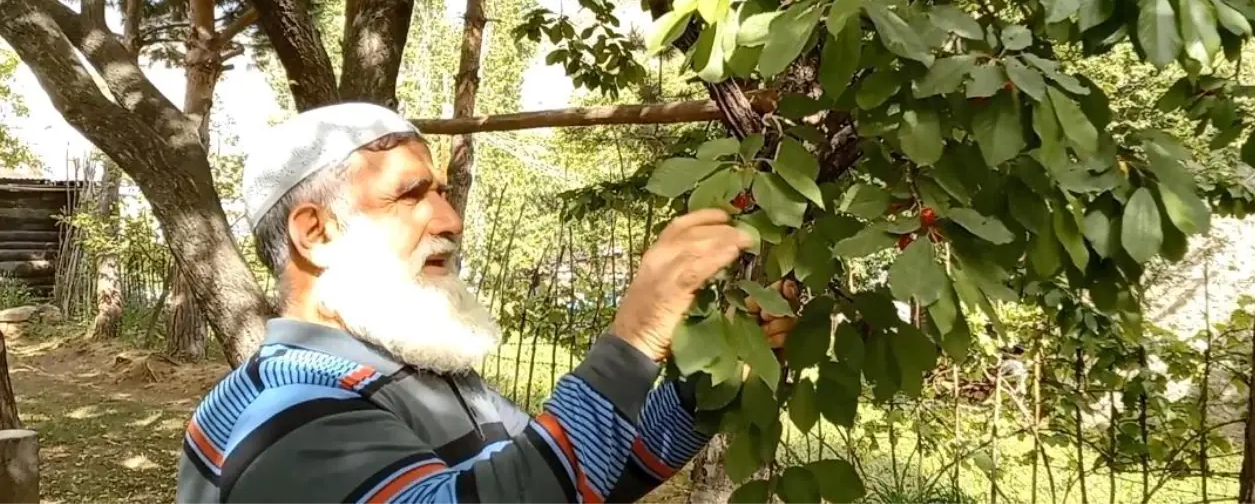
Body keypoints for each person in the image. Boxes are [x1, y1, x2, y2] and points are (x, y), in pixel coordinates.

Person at [178, 102, 796, 504]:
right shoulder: (291, 414)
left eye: (443, 192)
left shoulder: (411, 376)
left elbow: (587, 471)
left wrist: (704, 378)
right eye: (410, 194)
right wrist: (634, 337)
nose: (450, 218)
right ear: (316, 233)